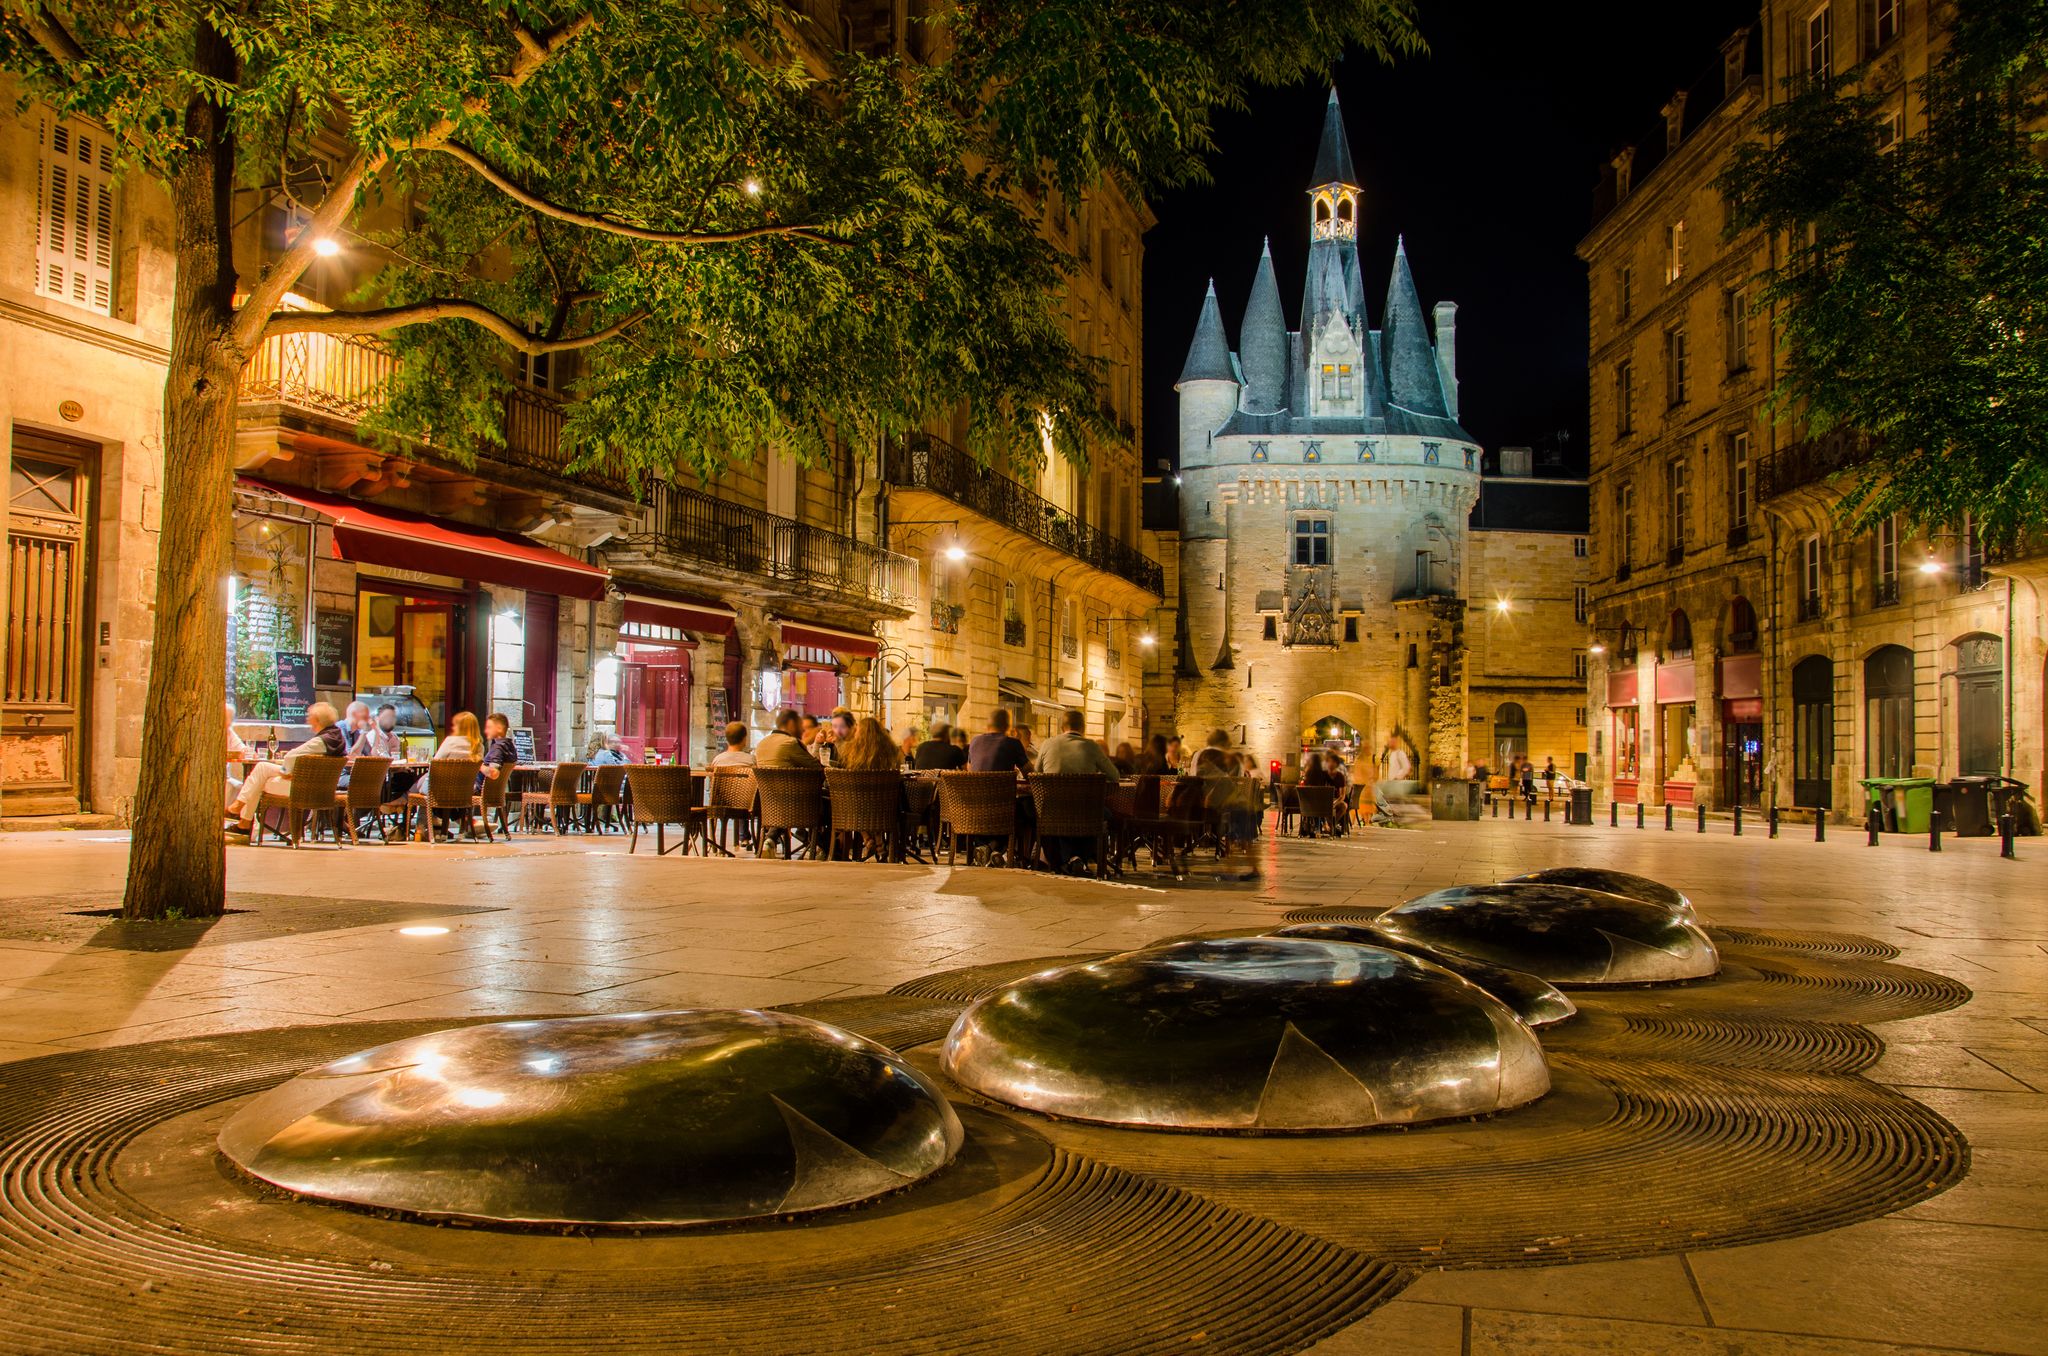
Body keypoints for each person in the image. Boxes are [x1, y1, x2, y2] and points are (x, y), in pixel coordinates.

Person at [225, 702, 346, 841]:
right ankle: (242, 819)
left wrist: (285, 772)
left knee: (259, 781)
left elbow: (291, 755)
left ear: (317, 720)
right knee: (262, 769)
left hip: (303, 790)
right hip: (321, 789)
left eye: (309, 716)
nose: (307, 719)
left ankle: (242, 817)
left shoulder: (321, 741)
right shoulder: (336, 738)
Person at [1034, 708, 1122, 873]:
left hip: (1053, 811)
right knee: (1102, 814)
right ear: (1083, 728)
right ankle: (1077, 857)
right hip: (1085, 812)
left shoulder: (1047, 744)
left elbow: (1035, 774)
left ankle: (1067, 859)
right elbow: (1115, 775)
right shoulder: (1092, 747)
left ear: (1062, 727)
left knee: (1061, 814)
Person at [1373, 733, 1422, 825]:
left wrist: (1397, 777)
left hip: (1396, 783)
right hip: (1392, 782)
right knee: (1395, 802)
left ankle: (1403, 818)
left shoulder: (1400, 753)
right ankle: (1398, 819)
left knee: (1397, 802)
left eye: (1391, 742)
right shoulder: (1392, 754)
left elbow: (1407, 767)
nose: (1389, 744)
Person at [967, 708, 1029, 774]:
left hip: (977, 784)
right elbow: (1029, 774)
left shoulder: (974, 741)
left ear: (987, 726)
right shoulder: (1013, 743)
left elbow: (970, 769)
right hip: (1003, 784)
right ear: (1007, 726)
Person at [755, 709, 821, 769]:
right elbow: (816, 767)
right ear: (791, 723)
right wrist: (817, 743)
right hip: (793, 782)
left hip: (766, 782)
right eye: (800, 725)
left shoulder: (761, 743)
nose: (803, 730)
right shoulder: (791, 743)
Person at [834, 716, 900, 773]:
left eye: (857, 730)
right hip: (885, 786)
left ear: (861, 734)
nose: (855, 733)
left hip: (857, 786)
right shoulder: (890, 750)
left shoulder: (852, 751)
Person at [223, 702, 248, 811]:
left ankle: (230, 816)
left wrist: (245, 751)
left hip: (226, 776)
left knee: (243, 789)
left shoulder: (229, 732)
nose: (229, 723)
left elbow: (241, 748)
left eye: (230, 720)